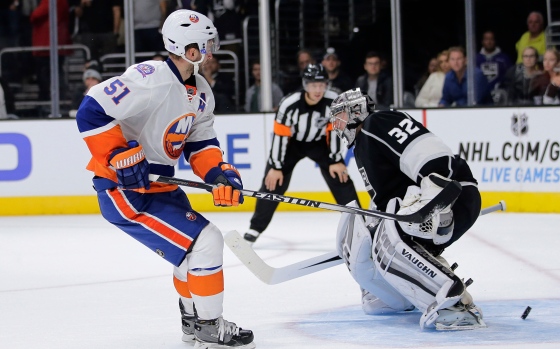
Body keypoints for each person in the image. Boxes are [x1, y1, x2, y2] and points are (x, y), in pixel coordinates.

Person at [75, 9, 255, 349]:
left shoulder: (201, 89)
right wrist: (116, 154)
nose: (211, 50)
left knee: (190, 255)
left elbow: (200, 141)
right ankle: (209, 325)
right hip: (126, 190)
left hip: (161, 186)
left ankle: (193, 324)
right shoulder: (151, 77)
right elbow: (91, 109)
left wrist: (217, 174)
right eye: (206, 44)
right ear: (188, 48)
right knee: (207, 241)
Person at [329, 88, 485, 330]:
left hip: (449, 195)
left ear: (355, 111)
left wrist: (436, 191)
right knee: (380, 237)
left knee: (391, 241)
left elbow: (427, 150)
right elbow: (385, 200)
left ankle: (453, 306)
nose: (336, 125)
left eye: (339, 116)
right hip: (424, 207)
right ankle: (393, 293)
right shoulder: (362, 145)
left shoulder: (376, 122)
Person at [243, 64, 359, 244]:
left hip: (321, 144)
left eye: (321, 85)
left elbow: (335, 132)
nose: (318, 89)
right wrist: (275, 166)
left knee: (341, 178)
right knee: (272, 182)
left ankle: (360, 225)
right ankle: (255, 228)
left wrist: (335, 159)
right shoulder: (290, 104)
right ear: (305, 85)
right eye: (313, 85)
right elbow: (280, 136)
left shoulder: (334, 102)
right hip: (292, 144)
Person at [31, 0, 72, 103]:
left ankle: (46, 100)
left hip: (46, 44)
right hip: (56, 43)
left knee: (45, 74)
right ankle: (59, 98)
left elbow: (35, 15)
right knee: (56, 73)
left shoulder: (50, 1)